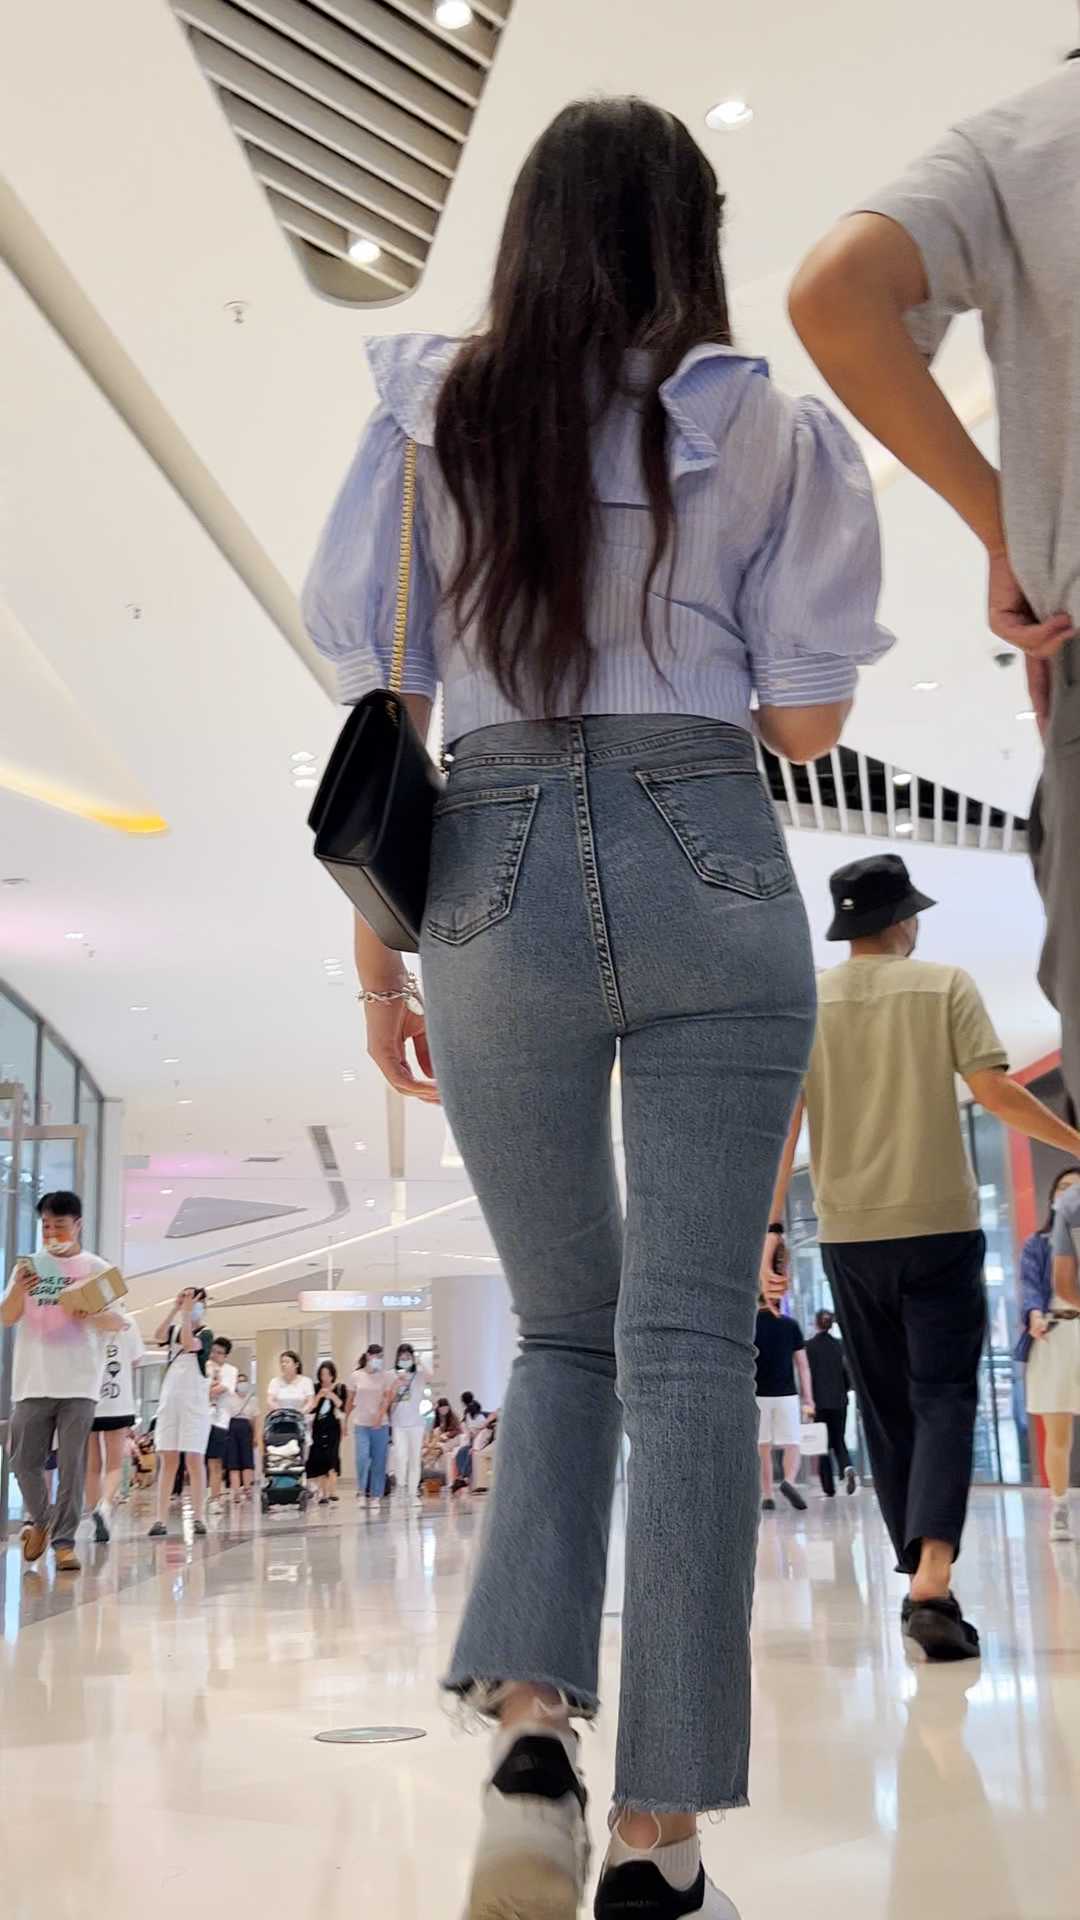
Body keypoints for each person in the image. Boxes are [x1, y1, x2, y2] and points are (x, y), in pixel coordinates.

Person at [303, 94, 890, 1920]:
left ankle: (535, 1730)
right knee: (691, 1339)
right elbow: (804, 722)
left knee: (564, 1327)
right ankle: (662, 1843)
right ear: (686, 239)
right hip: (711, 851)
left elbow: (381, 686)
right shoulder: (765, 425)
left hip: (488, 867)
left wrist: (380, 959)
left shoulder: (435, 417)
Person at [790, 46, 1080, 1114]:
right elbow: (994, 1093)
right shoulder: (944, 988)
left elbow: (835, 291)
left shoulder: (1033, 139)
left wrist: (1010, 534)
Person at [770, 855, 1080, 1662]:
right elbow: (998, 1093)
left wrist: (771, 1228)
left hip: (849, 1235)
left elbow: (785, 1121)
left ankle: (923, 1580)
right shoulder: (944, 985)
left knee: (885, 1408)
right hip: (940, 1226)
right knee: (943, 1396)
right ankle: (932, 1577)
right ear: (904, 920)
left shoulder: (808, 1000)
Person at [1, 1190, 127, 1573]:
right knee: (23, 1462)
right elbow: (6, 1316)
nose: (52, 1233)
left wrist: (89, 1312)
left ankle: (64, 1543)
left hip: (79, 1383)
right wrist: (20, 1287)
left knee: (72, 1466)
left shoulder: (97, 1268)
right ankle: (41, 1521)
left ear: (78, 1225)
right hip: (32, 1381)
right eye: (45, 1226)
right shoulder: (29, 1267)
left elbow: (118, 1322)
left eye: (59, 1225)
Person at [1025, 1169, 1080, 1539]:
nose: (1069, 1194)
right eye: (1063, 1187)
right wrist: (1033, 1313)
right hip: (1054, 1335)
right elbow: (1029, 1285)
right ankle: (1059, 1507)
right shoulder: (1038, 1243)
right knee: (1058, 1433)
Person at [148, 1288, 214, 1539]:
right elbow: (158, 1335)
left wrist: (186, 1315)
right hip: (171, 1401)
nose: (191, 1304)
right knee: (169, 1459)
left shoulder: (206, 1334)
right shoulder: (175, 1328)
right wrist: (175, 1309)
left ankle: (198, 1517)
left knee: (194, 1460)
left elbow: (188, 1343)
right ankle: (160, 1519)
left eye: (195, 1300)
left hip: (194, 1404)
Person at [754, 1277, 813, 1513]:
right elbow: (803, 1366)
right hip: (787, 1394)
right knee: (792, 1443)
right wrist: (808, 1398)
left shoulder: (751, 1326)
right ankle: (788, 1480)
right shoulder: (791, 1325)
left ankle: (767, 1495)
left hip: (758, 1394)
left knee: (763, 1447)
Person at [86, 1305, 143, 1542]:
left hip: (89, 1398)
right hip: (118, 1402)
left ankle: (94, 1516)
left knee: (92, 1465)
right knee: (114, 1464)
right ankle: (105, 1507)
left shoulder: (86, 1316)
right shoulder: (127, 1320)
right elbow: (136, 1360)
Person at [805, 1309, 856, 1499]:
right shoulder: (839, 1345)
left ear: (816, 1323)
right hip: (839, 1401)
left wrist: (808, 1400)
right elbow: (847, 1373)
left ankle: (829, 1488)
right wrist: (845, 1389)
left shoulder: (809, 1347)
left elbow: (806, 1375)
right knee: (839, 1439)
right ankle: (847, 1466)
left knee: (823, 1445)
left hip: (819, 1403)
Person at [387, 1344, 430, 1509]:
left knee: (414, 1459)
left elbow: (430, 1374)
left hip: (416, 1424)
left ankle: (413, 1494)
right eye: (402, 1358)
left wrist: (420, 1361)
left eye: (408, 1357)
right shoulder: (392, 1375)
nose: (404, 1360)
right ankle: (401, 1487)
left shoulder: (418, 1375)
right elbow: (388, 1398)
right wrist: (396, 1384)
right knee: (400, 1457)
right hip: (398, 1423)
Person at [347, 1344, 390, 1507]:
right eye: (375, 1356)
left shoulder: (384, 1376)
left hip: (381, 1425)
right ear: (367, 1356)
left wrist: (379, 1416)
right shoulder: (356, 1376)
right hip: (361, 1424)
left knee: (379, 1461)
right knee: (362, 1458)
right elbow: (350, 1401)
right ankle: (361, 1491)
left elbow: (386, 1399)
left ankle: (376, 1496)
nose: (378, 1360)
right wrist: (344, 1420)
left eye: (381, 1357)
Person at [205, 1336, 238, 1511]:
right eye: (213, 1351)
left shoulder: (231, 1371)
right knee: (196, 1461)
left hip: (220, 1421)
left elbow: (219, 1390)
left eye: (219, 1353)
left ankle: (215, 1498)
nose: (214, 1355)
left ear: (226, 1355)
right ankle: (201, 1496)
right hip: (201, 1419)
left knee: (215, 1461)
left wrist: (210, 1388)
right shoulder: (203, 1366)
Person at [306, 1360, 347, 1502]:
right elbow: (311, 1407)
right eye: (322, 1374)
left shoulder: (340, 1388)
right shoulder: (315, 1388)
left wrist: (331, 1395)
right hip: (318, 1427)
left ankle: (332, 1492)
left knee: (332, 1458)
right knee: (320, 1459)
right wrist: (319, 1396)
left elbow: (342, 1406)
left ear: (333, 1375)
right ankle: (323, 1493)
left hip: (333, 1428)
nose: (325, 1377)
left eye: (328, 1374)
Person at [227, 1369, 259, 1502]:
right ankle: (235, 1491)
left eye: (244, 1381)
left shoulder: (252, 1399)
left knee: (247, 1461)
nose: (241, 1384)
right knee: (233, 1462)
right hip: (231, 1429)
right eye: (239, 1381)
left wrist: (256, 1435)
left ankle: (247, 1489)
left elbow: (255, 1419)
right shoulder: (229, 1398)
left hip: (246, 1428)